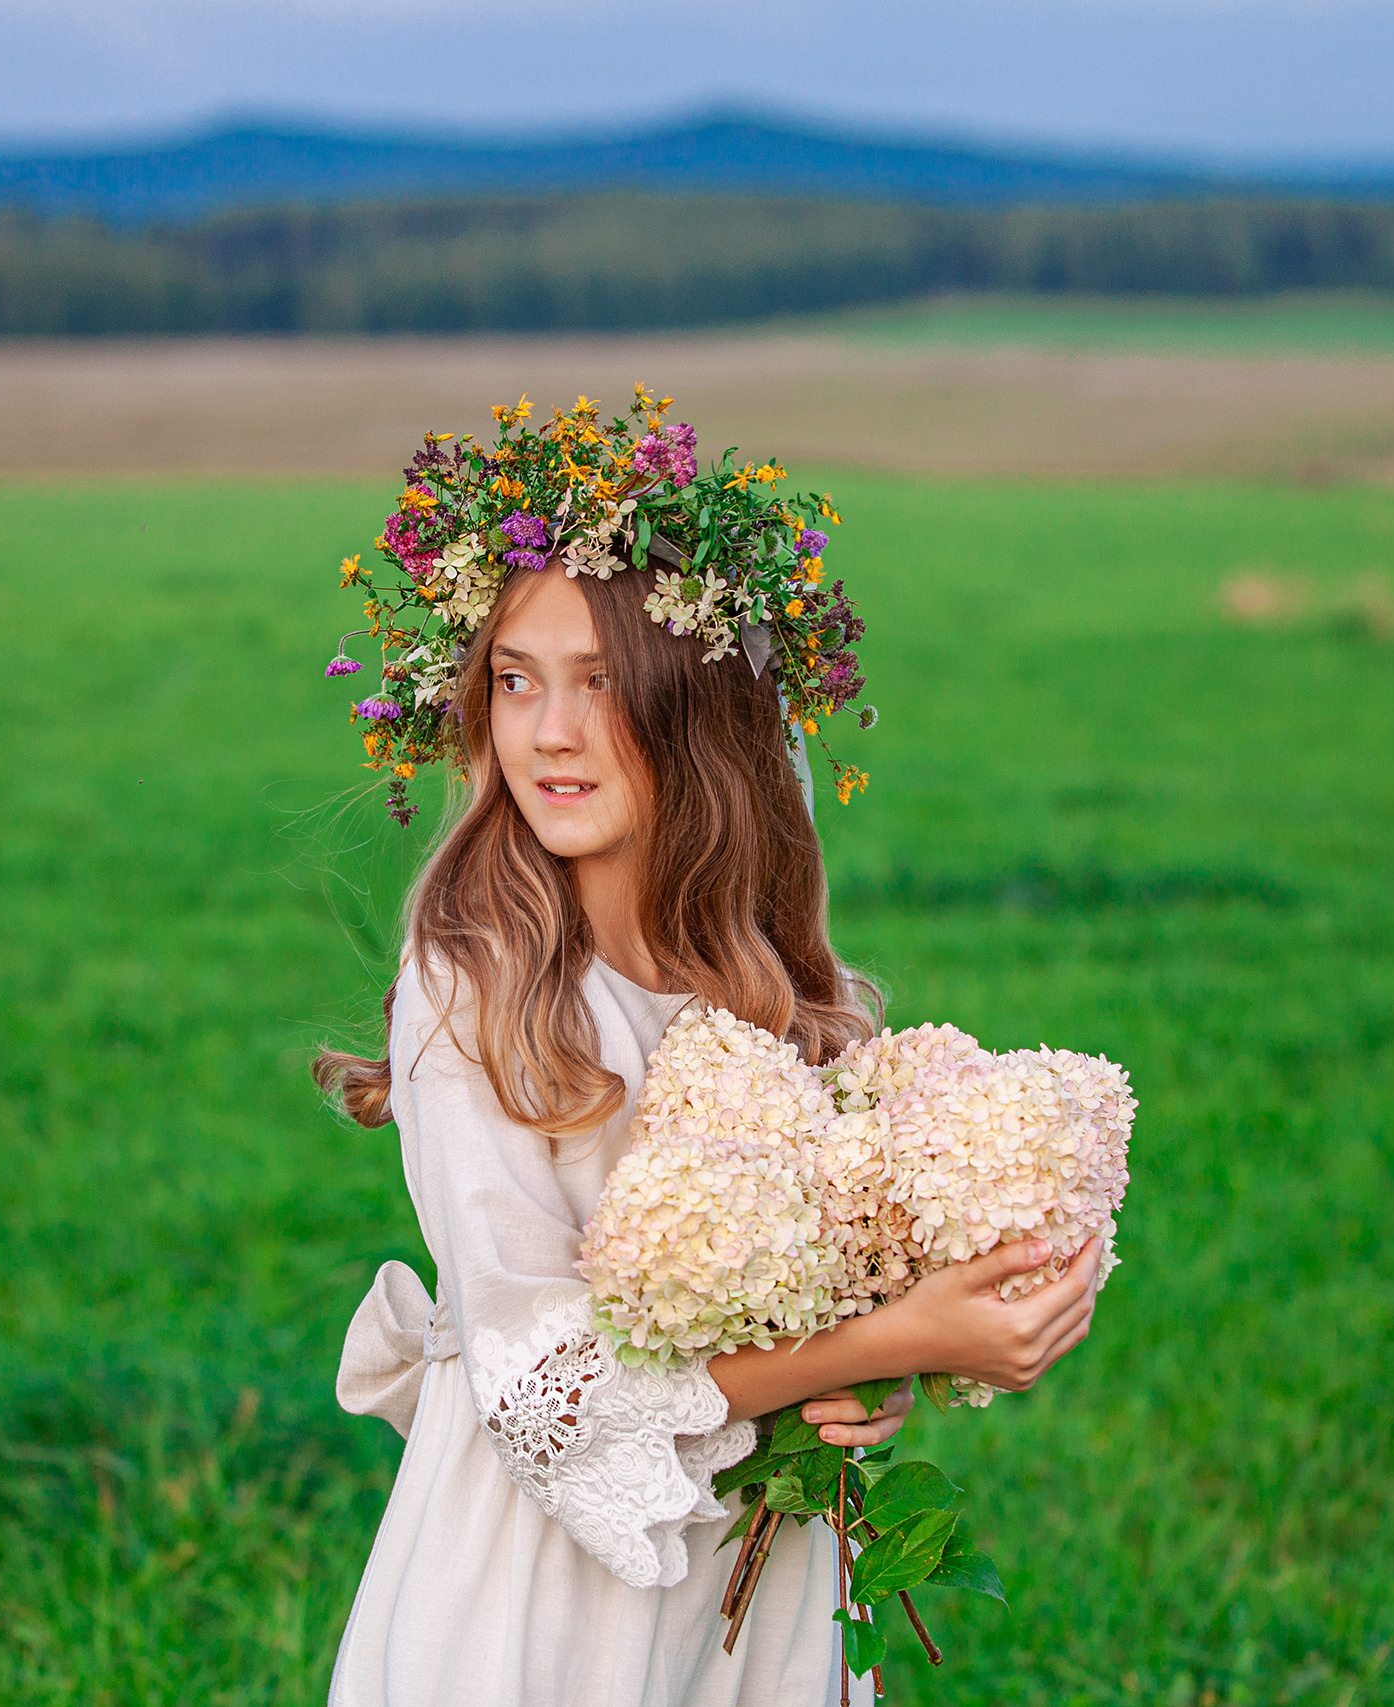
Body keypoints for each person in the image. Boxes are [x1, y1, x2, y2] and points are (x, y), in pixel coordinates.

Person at [313, 399, 1103, 1707]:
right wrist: (882, 1341)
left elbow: (817, 1294)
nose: (548, 732)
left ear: (702, 709)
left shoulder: (769, 981)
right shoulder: (480, 977)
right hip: (547, 1608)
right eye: (516, 679)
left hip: (757, 1579)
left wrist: (872, 1366)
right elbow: (546, 1389)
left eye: (602, 683)